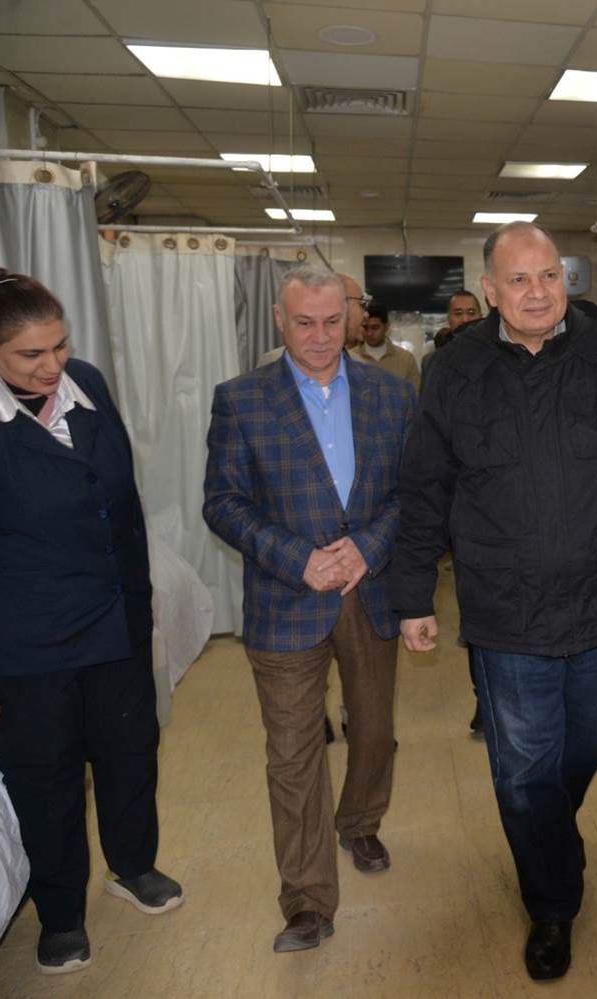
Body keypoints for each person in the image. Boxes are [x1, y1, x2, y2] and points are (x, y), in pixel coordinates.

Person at [394, 223, 597, 981]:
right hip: (506, 610)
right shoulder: (455, 369)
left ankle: (548, 835)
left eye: (548, 275)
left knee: (588, 742)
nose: (536, 292)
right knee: (524, 771)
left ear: (567, 279)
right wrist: (414, 594)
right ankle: (553, 904)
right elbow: (426, 487)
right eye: (518, 280)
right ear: (490, 291)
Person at [0, 267, 182, 976]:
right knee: (46, 780)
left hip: (114, 622)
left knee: (130, 753)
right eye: (30, 354)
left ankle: (134, 865)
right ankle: (61, 914)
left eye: (59, 346)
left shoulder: (88, 385)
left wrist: (140, 608)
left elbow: (125, 509)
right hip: (29, 641)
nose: (51, 366)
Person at [202, 266, 414, 954]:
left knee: (374, 729)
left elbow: (414, 492)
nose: (320, 337)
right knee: (293, 754)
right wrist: (299, 558)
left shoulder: (391, 394)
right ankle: (306, 901)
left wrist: (368, 548)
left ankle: (360, 821)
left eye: (331, 321)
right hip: (285, 596)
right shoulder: (241, 399)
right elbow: (223, 503)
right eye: (304, 323)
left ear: (349, 318)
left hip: (369, 589)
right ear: (279, 319)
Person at [354, 301, 420, 391]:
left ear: (386, 326)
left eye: (375, 328)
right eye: (365, 328)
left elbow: (415, 395)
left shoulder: (406, 360)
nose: (369, 333)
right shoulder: (350, 357)